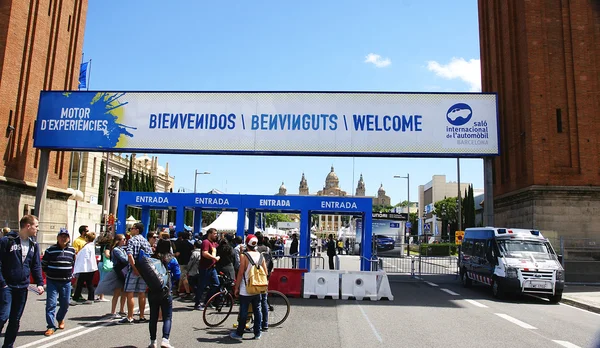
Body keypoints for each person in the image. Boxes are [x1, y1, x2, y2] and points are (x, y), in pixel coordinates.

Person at [0, 215, 45, 348]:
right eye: (36, 226)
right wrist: (2, 283)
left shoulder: (33, 245)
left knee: (15, 320)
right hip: (7, 286)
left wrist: (40, 283)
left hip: (22, 287)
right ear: (28, 226)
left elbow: (36, 265)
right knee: (3, 316)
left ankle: (8, 346)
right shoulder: (7, 241)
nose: (37, 229)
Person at [230, 234, 267, 340]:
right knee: (257, 310)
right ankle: (257, 333)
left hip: (245, 289)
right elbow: (265, 272)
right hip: (257, 288)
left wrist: (236, 288)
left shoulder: (244, 256)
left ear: (247, 244)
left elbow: (240, 273)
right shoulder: (260, 255)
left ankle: (239, 333)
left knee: (244, 311)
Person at [42, 228, 76, 336]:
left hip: (66, 282)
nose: (63, 238)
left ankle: (60, 318)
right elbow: (44, 264)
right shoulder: (50, 250)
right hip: (52, 281)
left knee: (65, 304)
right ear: (57, 238)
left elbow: (73, 263)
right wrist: (48, 273)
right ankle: (51, 326)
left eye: (65, 236)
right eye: (61, 236)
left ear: (68, 238)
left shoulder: (72, 250)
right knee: (51, 304)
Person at [148, 239, 180, 348]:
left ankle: (153, 342)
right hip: (166, 290)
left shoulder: (152, 258)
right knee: (167, 317)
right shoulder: (172, 259)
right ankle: (165, 340)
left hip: (152, 290)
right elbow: (177, 275)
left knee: (153, 317)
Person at [119, 223, 153, 324]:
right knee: (142, 293)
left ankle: (130, 317)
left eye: (132, 228)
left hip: (134, 270)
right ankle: (142, 316)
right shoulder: (146, 242)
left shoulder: (132, 240)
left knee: (130, 293)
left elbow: (130, 255)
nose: (131, 230)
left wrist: (134, 268)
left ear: (137, 230)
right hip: (144, 270)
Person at [194, 228, 220, 311]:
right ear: (210, 234)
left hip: (212, 267)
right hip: (205, 268)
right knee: (201, 286)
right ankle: (197, 303)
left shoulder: (213, 243)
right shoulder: (206, 242)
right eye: (215, 233)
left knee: (216, 284)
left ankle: (206, 301)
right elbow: (204, 253)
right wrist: (214, 258)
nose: (216, 235)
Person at [72, 232, 98, 303]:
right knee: (89, 283)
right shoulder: (91, 246)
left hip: (85, 268)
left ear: (87, 238)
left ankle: (76, 297)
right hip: (90, 268)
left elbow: (84, 258)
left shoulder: (87, 247)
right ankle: (90, 298)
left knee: (80, 283)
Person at [255, 232, 272, 332]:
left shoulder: (254, 250)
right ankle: (265, 324)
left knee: (256, 301)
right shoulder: (268, 249)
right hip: (265, 276)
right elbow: (271, 263)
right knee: (264, 301)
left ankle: (256, 323)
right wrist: (268, 273)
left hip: (256, 276)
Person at [173, 232, 193, 299]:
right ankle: (178, 290)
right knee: (182, 276)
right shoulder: (190, 244)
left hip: (181, 262)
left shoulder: (180, 244)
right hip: (189, 262)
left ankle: (188, 292)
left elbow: (177, 253)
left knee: (183, 277)